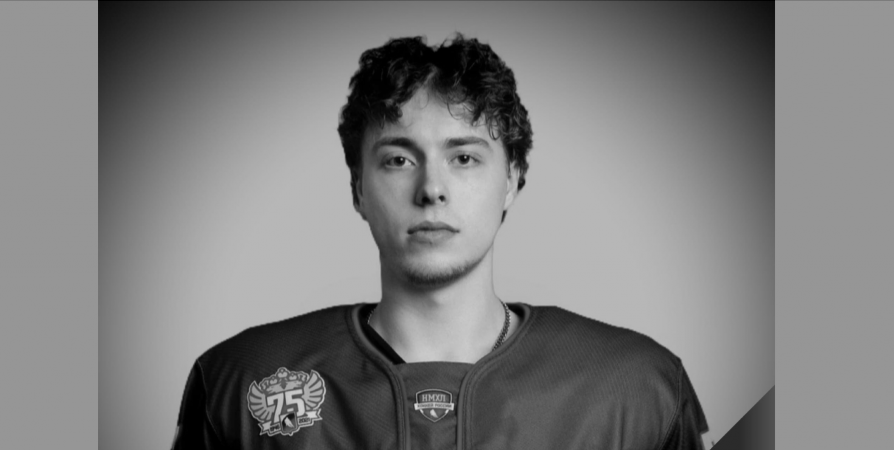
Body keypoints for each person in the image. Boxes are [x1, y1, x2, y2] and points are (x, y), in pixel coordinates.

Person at [172, 33, 708, 450]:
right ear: (358, 188)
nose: (432, 189)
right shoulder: (241, 379)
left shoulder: (637, 385)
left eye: (464, 158)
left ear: (512, 180)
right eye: (398, 159)